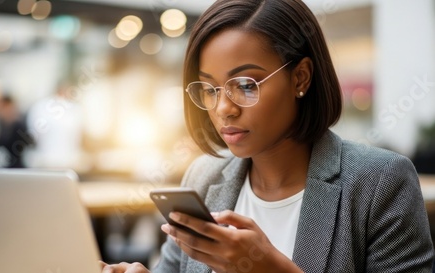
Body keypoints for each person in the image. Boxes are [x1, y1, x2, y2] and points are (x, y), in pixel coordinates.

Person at [101, 0, 435, 272]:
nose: (223, 109)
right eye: (210, 89)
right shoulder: (204, 177)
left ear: (300, 78)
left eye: (246, 85)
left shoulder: (379, 183)